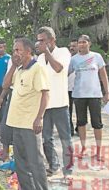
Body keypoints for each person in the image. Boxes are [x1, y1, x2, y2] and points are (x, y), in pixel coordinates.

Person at [4, 37, 49, 189]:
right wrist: (13, 66)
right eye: (14, 50)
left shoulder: (37, 68)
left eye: (18, 50)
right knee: (20, 163)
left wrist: (39, 118)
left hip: (30, 124)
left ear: (28, 51)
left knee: (35, 162)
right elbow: (5, 84)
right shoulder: (19, 70)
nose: (15, 53)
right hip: (16, 123)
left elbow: (45, 94)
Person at [36, 26, 73, 179]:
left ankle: (68, 170)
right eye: (38, 41)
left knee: (65, 138)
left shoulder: (63, 52)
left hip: (60, 104)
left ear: (52, 40)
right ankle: (53, 166)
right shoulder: (39, 58)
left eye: (43, 40)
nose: (40, 44)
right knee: (46, 139)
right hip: (45, 105)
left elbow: (58, 68)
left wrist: (47, 52)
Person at [69, 35, 109, 161]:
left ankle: (98, 151)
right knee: (81, 122)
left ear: (89, 43)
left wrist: (107, 93)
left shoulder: (96, 56)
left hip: (94, 95)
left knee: (97, 123)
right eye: (79, 42)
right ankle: (83, 149)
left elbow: (103, 76)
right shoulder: (73, 59)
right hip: (79, 95)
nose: (81, 44)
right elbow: (64, 74)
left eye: (84, 42)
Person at [68, 40, 79, 136]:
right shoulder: (66, 58)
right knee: (68, 111)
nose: (72, 48)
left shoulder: (81, 59)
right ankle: (69, 129)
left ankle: (79, 128)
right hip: (67, 89)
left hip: (79, 89)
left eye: (74, 46)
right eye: (71, 46)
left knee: (80, 110)